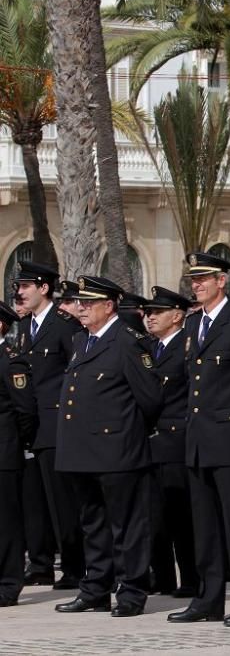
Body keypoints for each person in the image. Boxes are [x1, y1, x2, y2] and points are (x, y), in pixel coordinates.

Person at [167, 252, 230, 627]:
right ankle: (208, 599)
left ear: (222, 281)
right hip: (198, 439)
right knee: (205, 525)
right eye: (193, 279)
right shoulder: (194, 326)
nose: (197, 285)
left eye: (204, 279)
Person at [53, 276, 163, 617]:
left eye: (88, 303)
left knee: (127, 525)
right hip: (83, 451)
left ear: (109, 305)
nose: (82, 308)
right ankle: (96, 589)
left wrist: (125, 433)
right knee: (93, 524)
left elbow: (150, 399)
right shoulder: (81, 340)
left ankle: (131, 592)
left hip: (118, 450)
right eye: (80, 303)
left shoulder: (126, 342)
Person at [12, 261, 85, 591]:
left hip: (57, 424)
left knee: (62, 502)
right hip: (33, 425)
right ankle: (41, 564)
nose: (20, 292)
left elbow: (75, 373)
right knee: (36, 501)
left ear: (44, 288)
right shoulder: (26, 327)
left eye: (26, 286)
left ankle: (73, 566)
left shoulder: (63, 325)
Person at [142, 287, 199, 599]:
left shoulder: (186, 347)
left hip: (176, 438)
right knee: (155, 515)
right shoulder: (149, 347)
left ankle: (191, 577)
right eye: (148, 312)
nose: (150, 318)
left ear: (177, 316)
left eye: (157, 312)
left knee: (181, 516)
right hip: (152, 440)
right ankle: (161, 576)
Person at [0, 301, 36, 607]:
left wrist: (15, 442)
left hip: (4, 454)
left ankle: (8, 584)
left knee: (6, 523)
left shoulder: (11, 362)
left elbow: (24, 411)